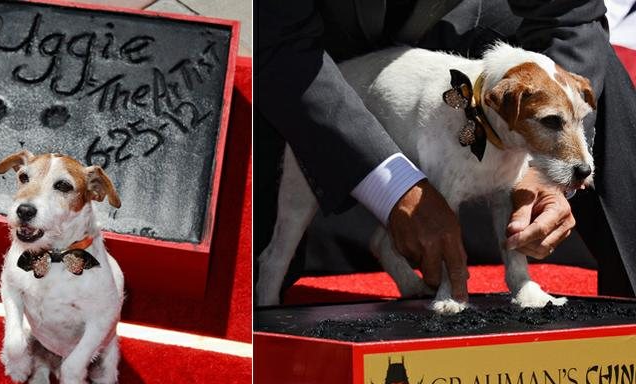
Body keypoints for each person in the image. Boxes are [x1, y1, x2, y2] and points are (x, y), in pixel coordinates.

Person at [255, 0, 636, 300]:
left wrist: (548, 159)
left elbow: (572, 18)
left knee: (607, 77)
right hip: (315, 47)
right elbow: (280, 46)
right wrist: (392, 187)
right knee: (256, 256)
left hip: (457, 23)